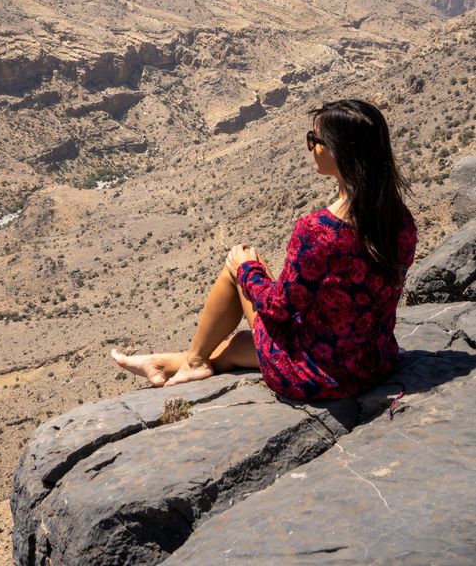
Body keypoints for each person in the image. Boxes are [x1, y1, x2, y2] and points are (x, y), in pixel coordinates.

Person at [111, 98, 417, 401]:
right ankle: (168, 362)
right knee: (241, 343)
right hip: (373, 362)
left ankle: (194, 361)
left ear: (340, 152)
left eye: (315, 140)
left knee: (238, 265)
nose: (311, 147)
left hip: (320, 376)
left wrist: (246, 269)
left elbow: (279, 308)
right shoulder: (399, 220)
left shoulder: (319, 231)